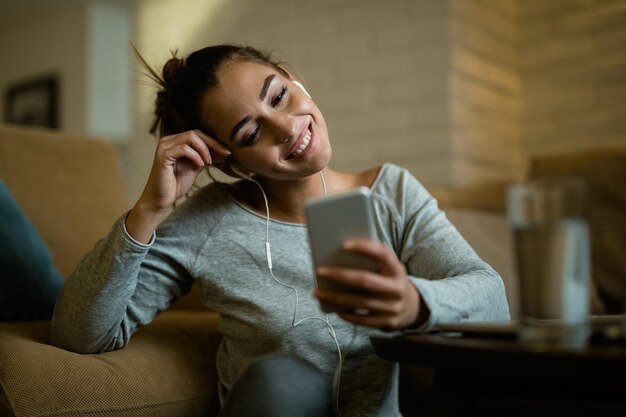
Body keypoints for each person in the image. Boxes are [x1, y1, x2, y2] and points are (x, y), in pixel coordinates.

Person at [51, 44, 510, 417]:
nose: (287, 128)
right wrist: (149, 209)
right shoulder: (207, 221)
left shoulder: (392, 193)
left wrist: (414, 303)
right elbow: (81, 334)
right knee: (280, 377)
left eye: (279, 96)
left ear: (295, 80)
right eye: (251, 134)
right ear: (229, 163)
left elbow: (492, 298)